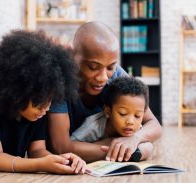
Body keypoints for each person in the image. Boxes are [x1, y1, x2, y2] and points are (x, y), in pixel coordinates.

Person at [48, 22, 162, 163]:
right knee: (146, 148)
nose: (103, 77)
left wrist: (135, 139)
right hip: (75, 146)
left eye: (110, 67)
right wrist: (118, 147)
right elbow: (61, 147)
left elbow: (154, 124)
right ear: (73, 56)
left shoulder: (116, 74)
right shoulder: (59, 79)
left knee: (147, 147)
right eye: (93, 67)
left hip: (92, 148)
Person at [0, 30, 86, 174]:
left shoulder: (37, 113)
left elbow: (37, 150)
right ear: (17, 91)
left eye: (50, 100)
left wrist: (61, 161)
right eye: (40, 101)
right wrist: (39, 165)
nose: (46, 108)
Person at [71, 77, 153, 161]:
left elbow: (148, 145)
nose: (130, 122)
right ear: (108, 111)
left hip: (120, 155)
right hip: (95, 153)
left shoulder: (137, 128)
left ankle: (128, 155)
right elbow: (70, 145)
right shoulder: (92, 126)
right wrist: (105, 143)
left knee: (148, 146)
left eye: (137, 116)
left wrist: (134, 141)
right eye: (123, 113)